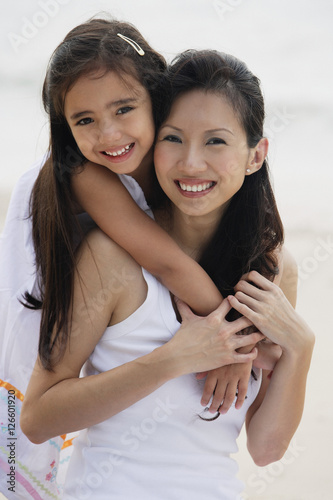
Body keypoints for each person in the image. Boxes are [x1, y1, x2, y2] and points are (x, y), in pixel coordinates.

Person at [20, 49, 314, 499]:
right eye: (173, 139)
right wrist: (174, 359)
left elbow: (265, 448)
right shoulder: (113, 259)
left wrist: (301, 348)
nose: (191, 163)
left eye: (215, 141)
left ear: (256, 155)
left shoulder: (273, 272)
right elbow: (38, 418)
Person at [0, 19, 249, 499]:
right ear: (65, 127)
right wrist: (235, 338)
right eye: (84, 120)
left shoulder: (180, 156)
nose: (109, 134)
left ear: (155, 96)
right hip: (43, 295)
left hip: (105, 291)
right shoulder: (85, 174)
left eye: (124, 109)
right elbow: (168, 263)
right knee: (24, 450)